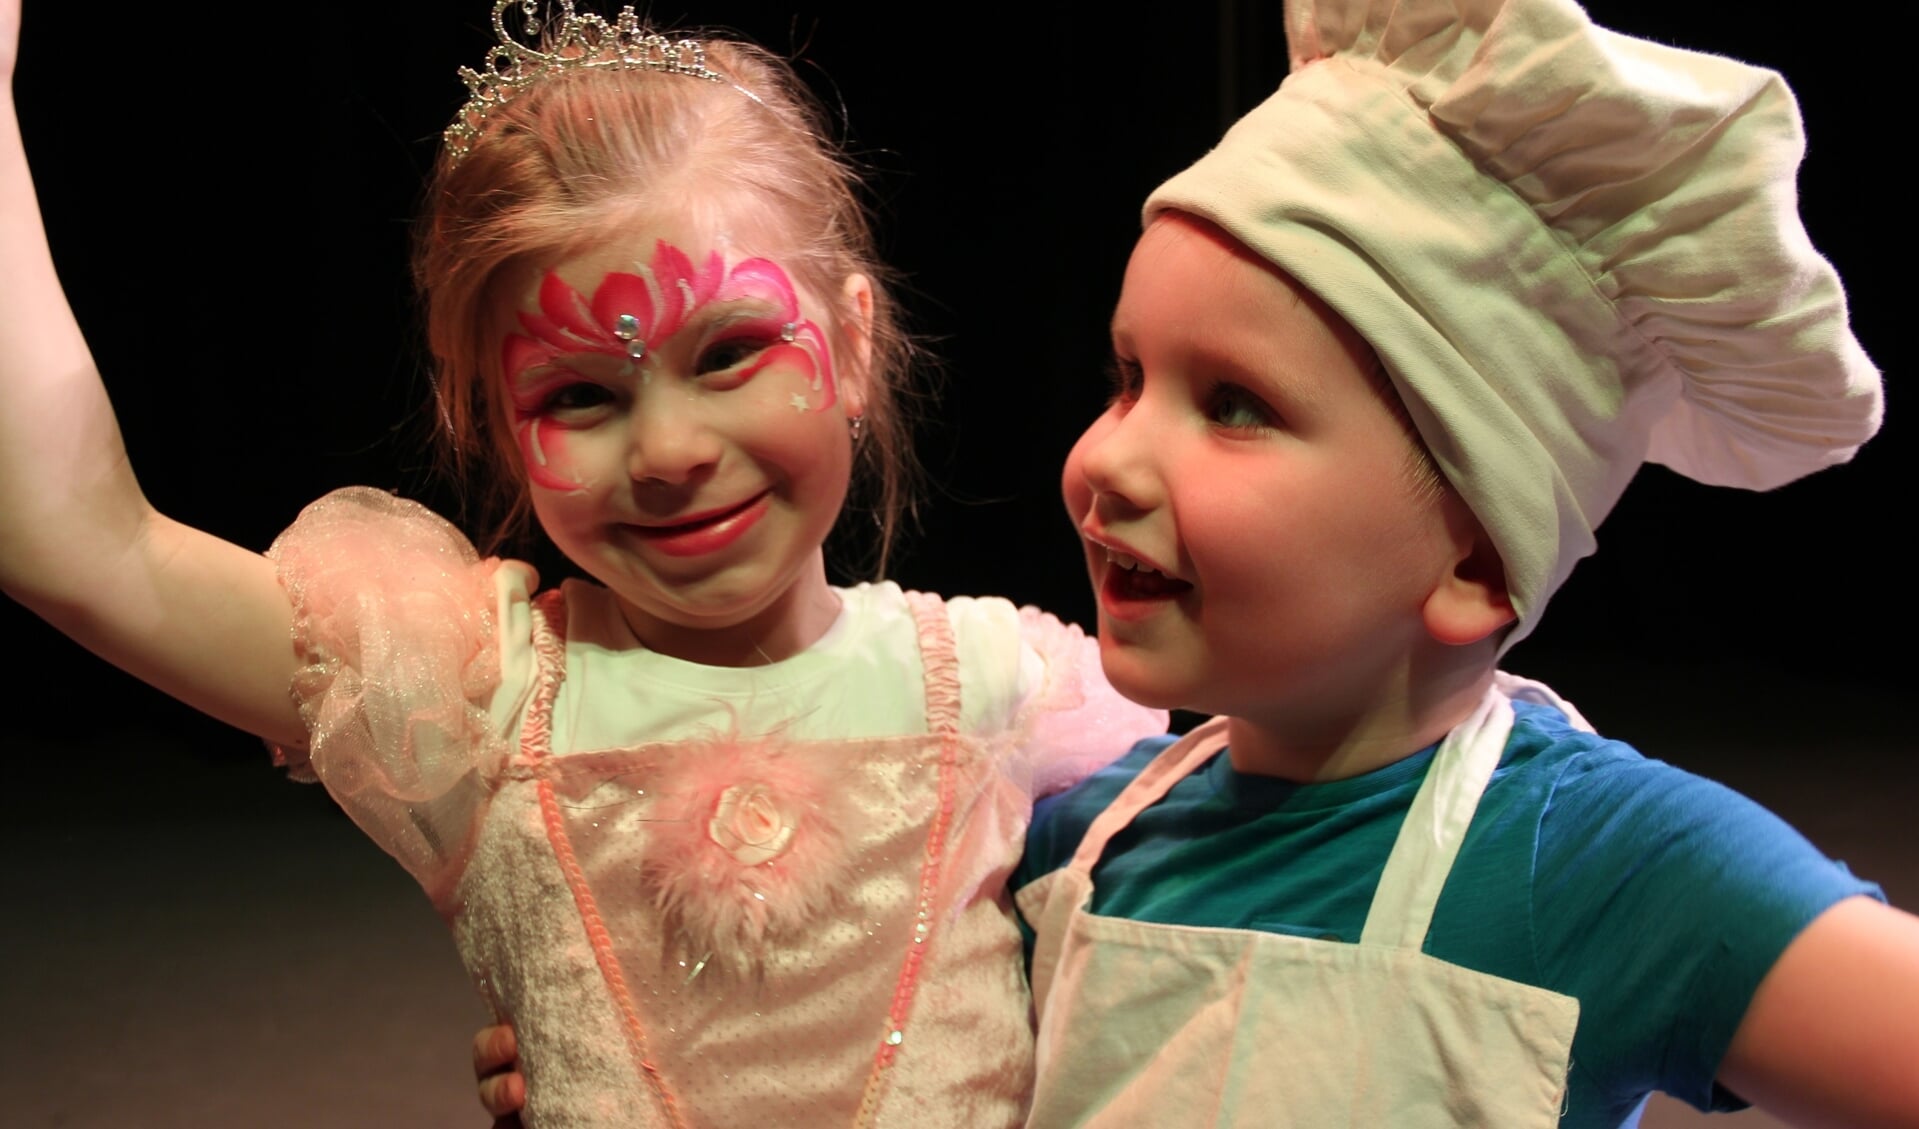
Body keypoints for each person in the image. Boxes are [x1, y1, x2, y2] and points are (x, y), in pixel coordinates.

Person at [0, 0, 1167, 1125]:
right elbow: (78, 545)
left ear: (852, 345)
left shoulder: (1020, 698)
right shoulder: (475, 698)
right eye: (577, 395)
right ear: (500, 428)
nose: (666, 451)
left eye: (730, 354)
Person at [1005, 0, 1919, 1126]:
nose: (1108, 456)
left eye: (1233, 404)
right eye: (1127, 377)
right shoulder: (1077, 849)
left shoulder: (1604, 868)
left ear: (1475, 563)